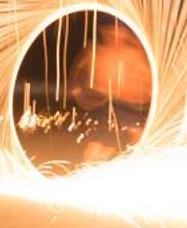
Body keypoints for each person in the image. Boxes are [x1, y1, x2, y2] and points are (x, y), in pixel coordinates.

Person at [66, 15, 153, 164]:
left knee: (140, 151)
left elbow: (148, 90)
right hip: (106, 116)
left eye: (118, 32)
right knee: (94, 155)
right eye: (110, 32)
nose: (115, 35)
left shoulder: (135, 55)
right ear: (103, 32)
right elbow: (80, 88)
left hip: (133, 117)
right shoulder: (97, 55)